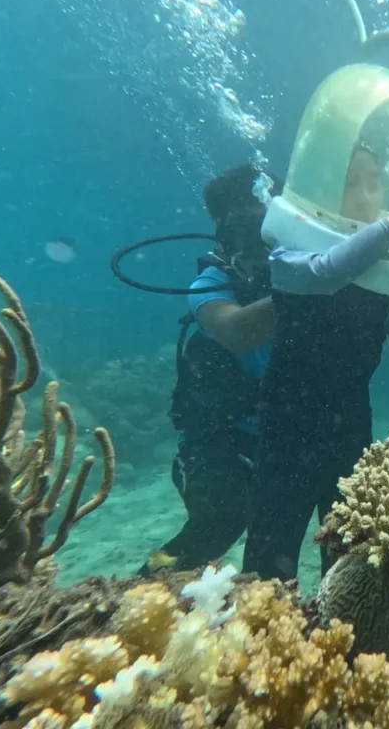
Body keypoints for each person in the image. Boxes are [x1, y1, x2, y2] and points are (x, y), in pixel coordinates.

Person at [243, 145, 389, 581]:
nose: (364, 194)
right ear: (322, 192)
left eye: (374, 181)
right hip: (285, 428)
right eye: (349, 183)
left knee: (349, 565)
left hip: (350, 427)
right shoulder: (289, 250)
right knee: (268, 560)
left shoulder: (387, 265)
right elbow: (328, 271)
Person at [141, 164, 279, 574]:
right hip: (216, 441)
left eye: (267, 232)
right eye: (242, 234)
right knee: (220, 518)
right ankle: (140, 595)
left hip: (282, 434)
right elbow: (236, 331)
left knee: (274, 536)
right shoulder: (209, 285)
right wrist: (316, 280)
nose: (258, 249)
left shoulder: (305, 274)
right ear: (221, 237)